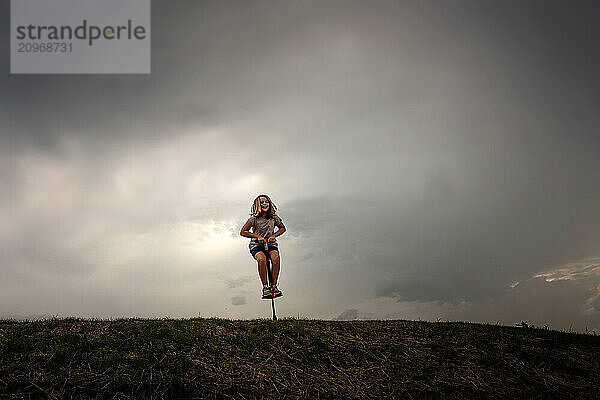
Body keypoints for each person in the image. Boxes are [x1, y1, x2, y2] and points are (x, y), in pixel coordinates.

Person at [240, 194, 286, 299]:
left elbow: (282, 228)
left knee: (275, 258)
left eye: (266, 202)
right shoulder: (253, 219)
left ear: (270, 203)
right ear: (257, 205)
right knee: (262, 259)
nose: (264, 204)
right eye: (261, 202)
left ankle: (274, 286)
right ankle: (265, 287)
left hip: (270, 244)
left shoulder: (274, 218)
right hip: (257, 245)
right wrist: (257, 236)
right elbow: (243, 232)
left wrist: (274, 235)